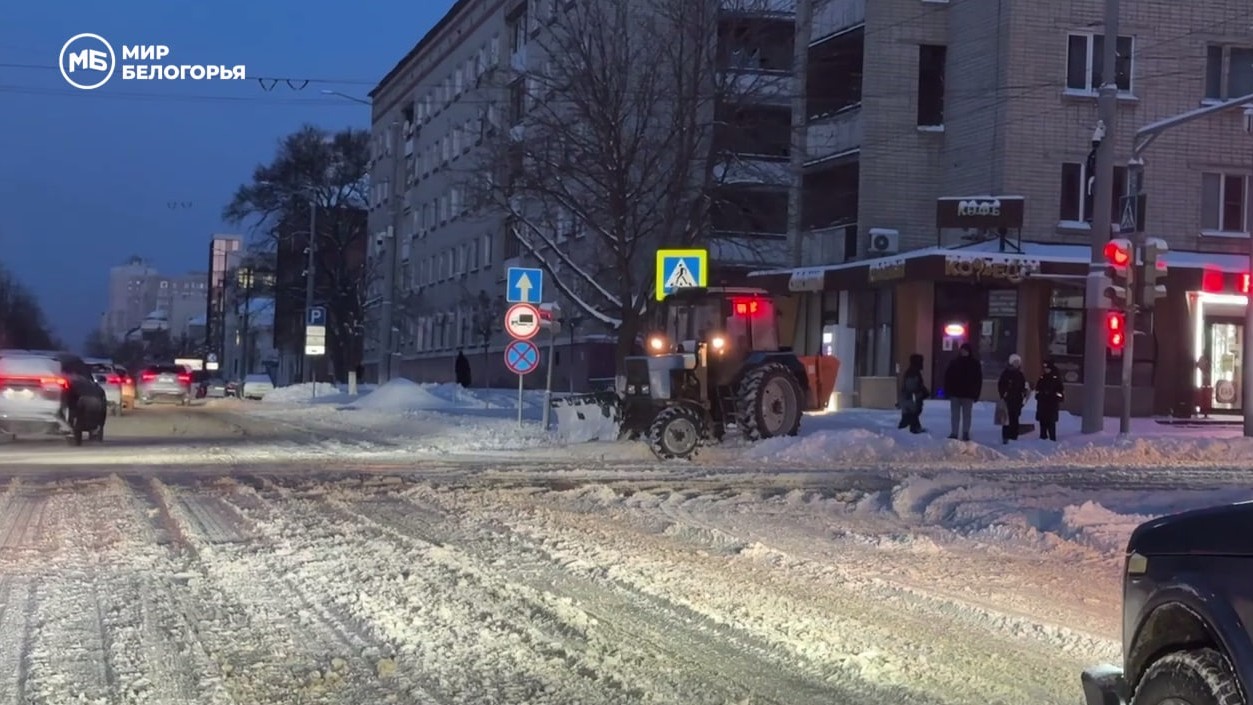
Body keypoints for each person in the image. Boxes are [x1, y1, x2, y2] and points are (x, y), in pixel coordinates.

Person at [942, 343, 982, 441]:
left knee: (966, 415)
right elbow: (948, 377)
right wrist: (947, 390)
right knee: (955, 415)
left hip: (968, 394)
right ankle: (954, 432)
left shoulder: (974, 364)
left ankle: (965, 433)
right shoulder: (954, 362)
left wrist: (976, 393)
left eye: (965, 350)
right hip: (955, 393)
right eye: (962, 350)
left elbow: (978, 380)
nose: (964, 352)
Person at [997, 353, 1029, 444]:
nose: (1017, 364)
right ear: (1011, 362)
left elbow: (1023, 386)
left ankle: (1014, 437)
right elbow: (1001, 385)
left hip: (1017, 400)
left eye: (1018, 362)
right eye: (1015, 362)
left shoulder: (1020, 374)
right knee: (1006, 419)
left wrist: (1024, 392)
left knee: (1015, 418)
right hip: (1008, 399)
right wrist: (1004, 394)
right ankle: (1006, 437)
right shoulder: (1006, 373)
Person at [897, 353, 929, 434]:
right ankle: (912, 429)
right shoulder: (913, 373)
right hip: (911, 399)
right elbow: (911, 387)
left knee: (910, 415)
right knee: (910, 415)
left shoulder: (912, 372)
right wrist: (921, 393)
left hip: (909, 399)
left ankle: (914, 428)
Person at [1034, 360, 1065, 441]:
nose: (1046, 370)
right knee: (1043, 422)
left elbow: (1060, 392)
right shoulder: (1042, 378)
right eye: (1045, 368)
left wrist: (1053, 395)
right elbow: (1037, 390)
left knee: (1051, 422)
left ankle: (1052, 439)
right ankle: (1043, 437)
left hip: (1052, 404)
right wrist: (1040, 395)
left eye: (1047, 368)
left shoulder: (1056, 379)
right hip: (1042, 404)